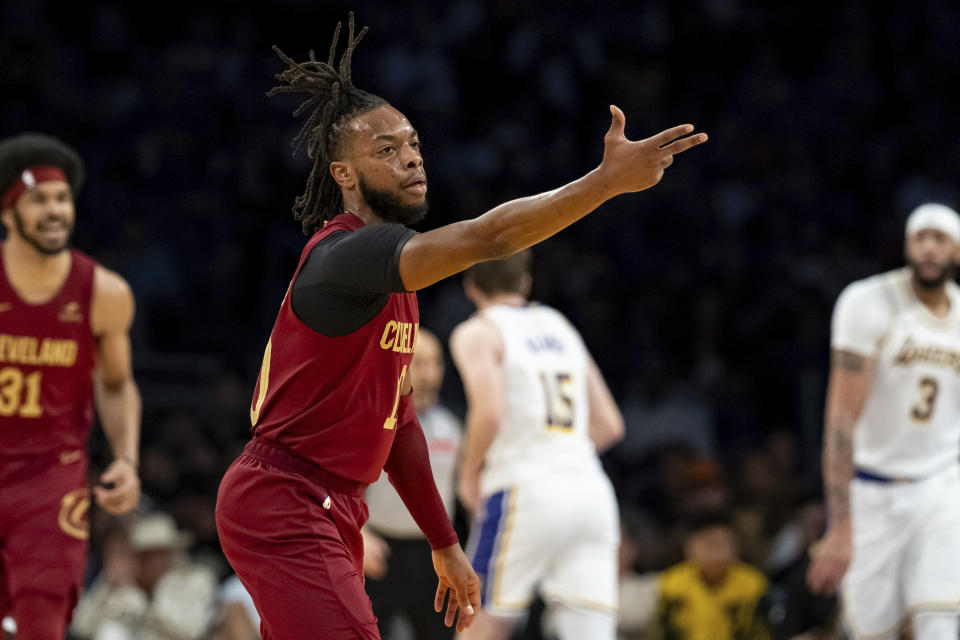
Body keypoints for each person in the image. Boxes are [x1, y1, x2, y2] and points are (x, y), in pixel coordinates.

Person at [213, 13, 706, 640]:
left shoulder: (398, 280)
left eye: (413, 143)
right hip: (287, 497)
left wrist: (444, 543)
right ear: (344, 175)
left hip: (332, 503)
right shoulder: (348, 255)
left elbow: (400, 423)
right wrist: (604, 185)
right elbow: (490, 236)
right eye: (385, 150)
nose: (411, 158)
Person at [0, 133, 141, 640]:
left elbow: (117, 383)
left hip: (50, 477)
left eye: (61, 198)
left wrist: (125, 459)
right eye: (38, 200)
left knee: (44, 622)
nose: (56, 210)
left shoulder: (103, 291)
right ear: (7, 213)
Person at [448, 251, 626, 640]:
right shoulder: (558, 324)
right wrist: (560, 458)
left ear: (470, 286)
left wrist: (468, 474)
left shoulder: (477, 331)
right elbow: (610, 425)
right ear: (525, 283)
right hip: (591, 493)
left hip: (524, 490)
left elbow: (489, 411)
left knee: (476, 625)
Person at [807, 203, 960, 639]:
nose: (929, 248)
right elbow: (840, 419)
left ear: (957, 252)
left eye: (940, 239)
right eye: (920, 237)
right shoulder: (868, 301)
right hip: (872, 490)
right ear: (907, 245)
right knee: (872, 630)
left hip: (941, 488)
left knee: (938, 622)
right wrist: (840, 527)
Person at [363, 328, 462, 640]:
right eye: (419, 363)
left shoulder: (457, 425)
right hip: (378, 549)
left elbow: (471, 495)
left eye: (436, 363)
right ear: (401, 365)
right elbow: (334, 488)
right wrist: (357, 532)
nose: (429, 374)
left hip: (434, 554)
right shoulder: (372, 420)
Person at [70, 511, 217, 640]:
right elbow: (82, 628)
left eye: (159, 554)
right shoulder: (125, 586)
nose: (153, 563)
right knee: (111, 632)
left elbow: (191, 632)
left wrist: (146, 607)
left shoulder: (196, 581)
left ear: (171, 553)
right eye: (146, 556)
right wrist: (108, 585)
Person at [656, 514, 769, 640]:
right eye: (708, 544)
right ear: (689, 548)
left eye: (721, 544)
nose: (715, 552)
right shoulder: (672, 582)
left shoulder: (753, 583)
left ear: (736, 548)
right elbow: (663, 632)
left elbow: (760, 632)